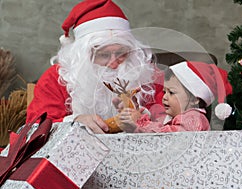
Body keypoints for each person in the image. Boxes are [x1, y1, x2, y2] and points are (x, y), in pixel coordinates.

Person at [26, 0, 164, 134]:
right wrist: (74, 122)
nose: (114, 63)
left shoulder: (147, 74)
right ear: (83, 56)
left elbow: (173, 119)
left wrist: (144, 118)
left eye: (121, 53)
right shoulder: (56, 78)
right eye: (104, 55)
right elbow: (35, 130)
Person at [118, 61, 233, 133]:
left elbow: (168, 137)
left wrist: (140, 122)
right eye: (164, 92)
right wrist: (140, 114)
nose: (164, 97)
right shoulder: (175, 118)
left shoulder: (194, 118)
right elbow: (157, 127)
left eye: (171, 93)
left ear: (195, 99)